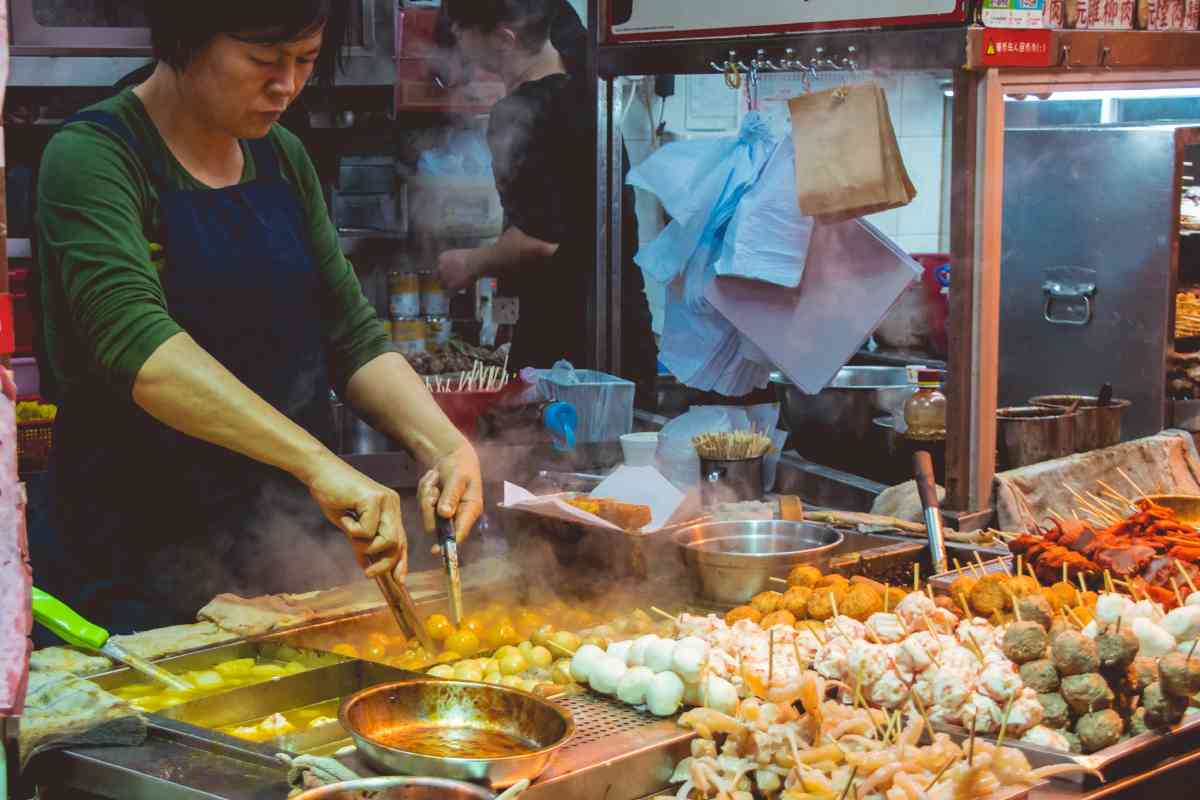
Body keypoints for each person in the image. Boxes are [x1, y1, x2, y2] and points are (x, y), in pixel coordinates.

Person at [32, 0, 483, 633]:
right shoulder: (92, 158)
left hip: (280, 556)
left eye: (306, 61)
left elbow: (350, 334)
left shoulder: (283, 158)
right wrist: (318, 464)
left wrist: (444, 445)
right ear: (186, 37)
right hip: (130, 564)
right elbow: (141, 348)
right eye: (263, 60)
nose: (288, 86)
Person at [434, 0, 657, 404]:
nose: (456, 40)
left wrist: (467, 263)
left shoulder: (521, 112)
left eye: (461, 29)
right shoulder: (586, 87)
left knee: (551, 465)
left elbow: (539, 240)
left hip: (562, 355)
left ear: (504, 39)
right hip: (626, 338)